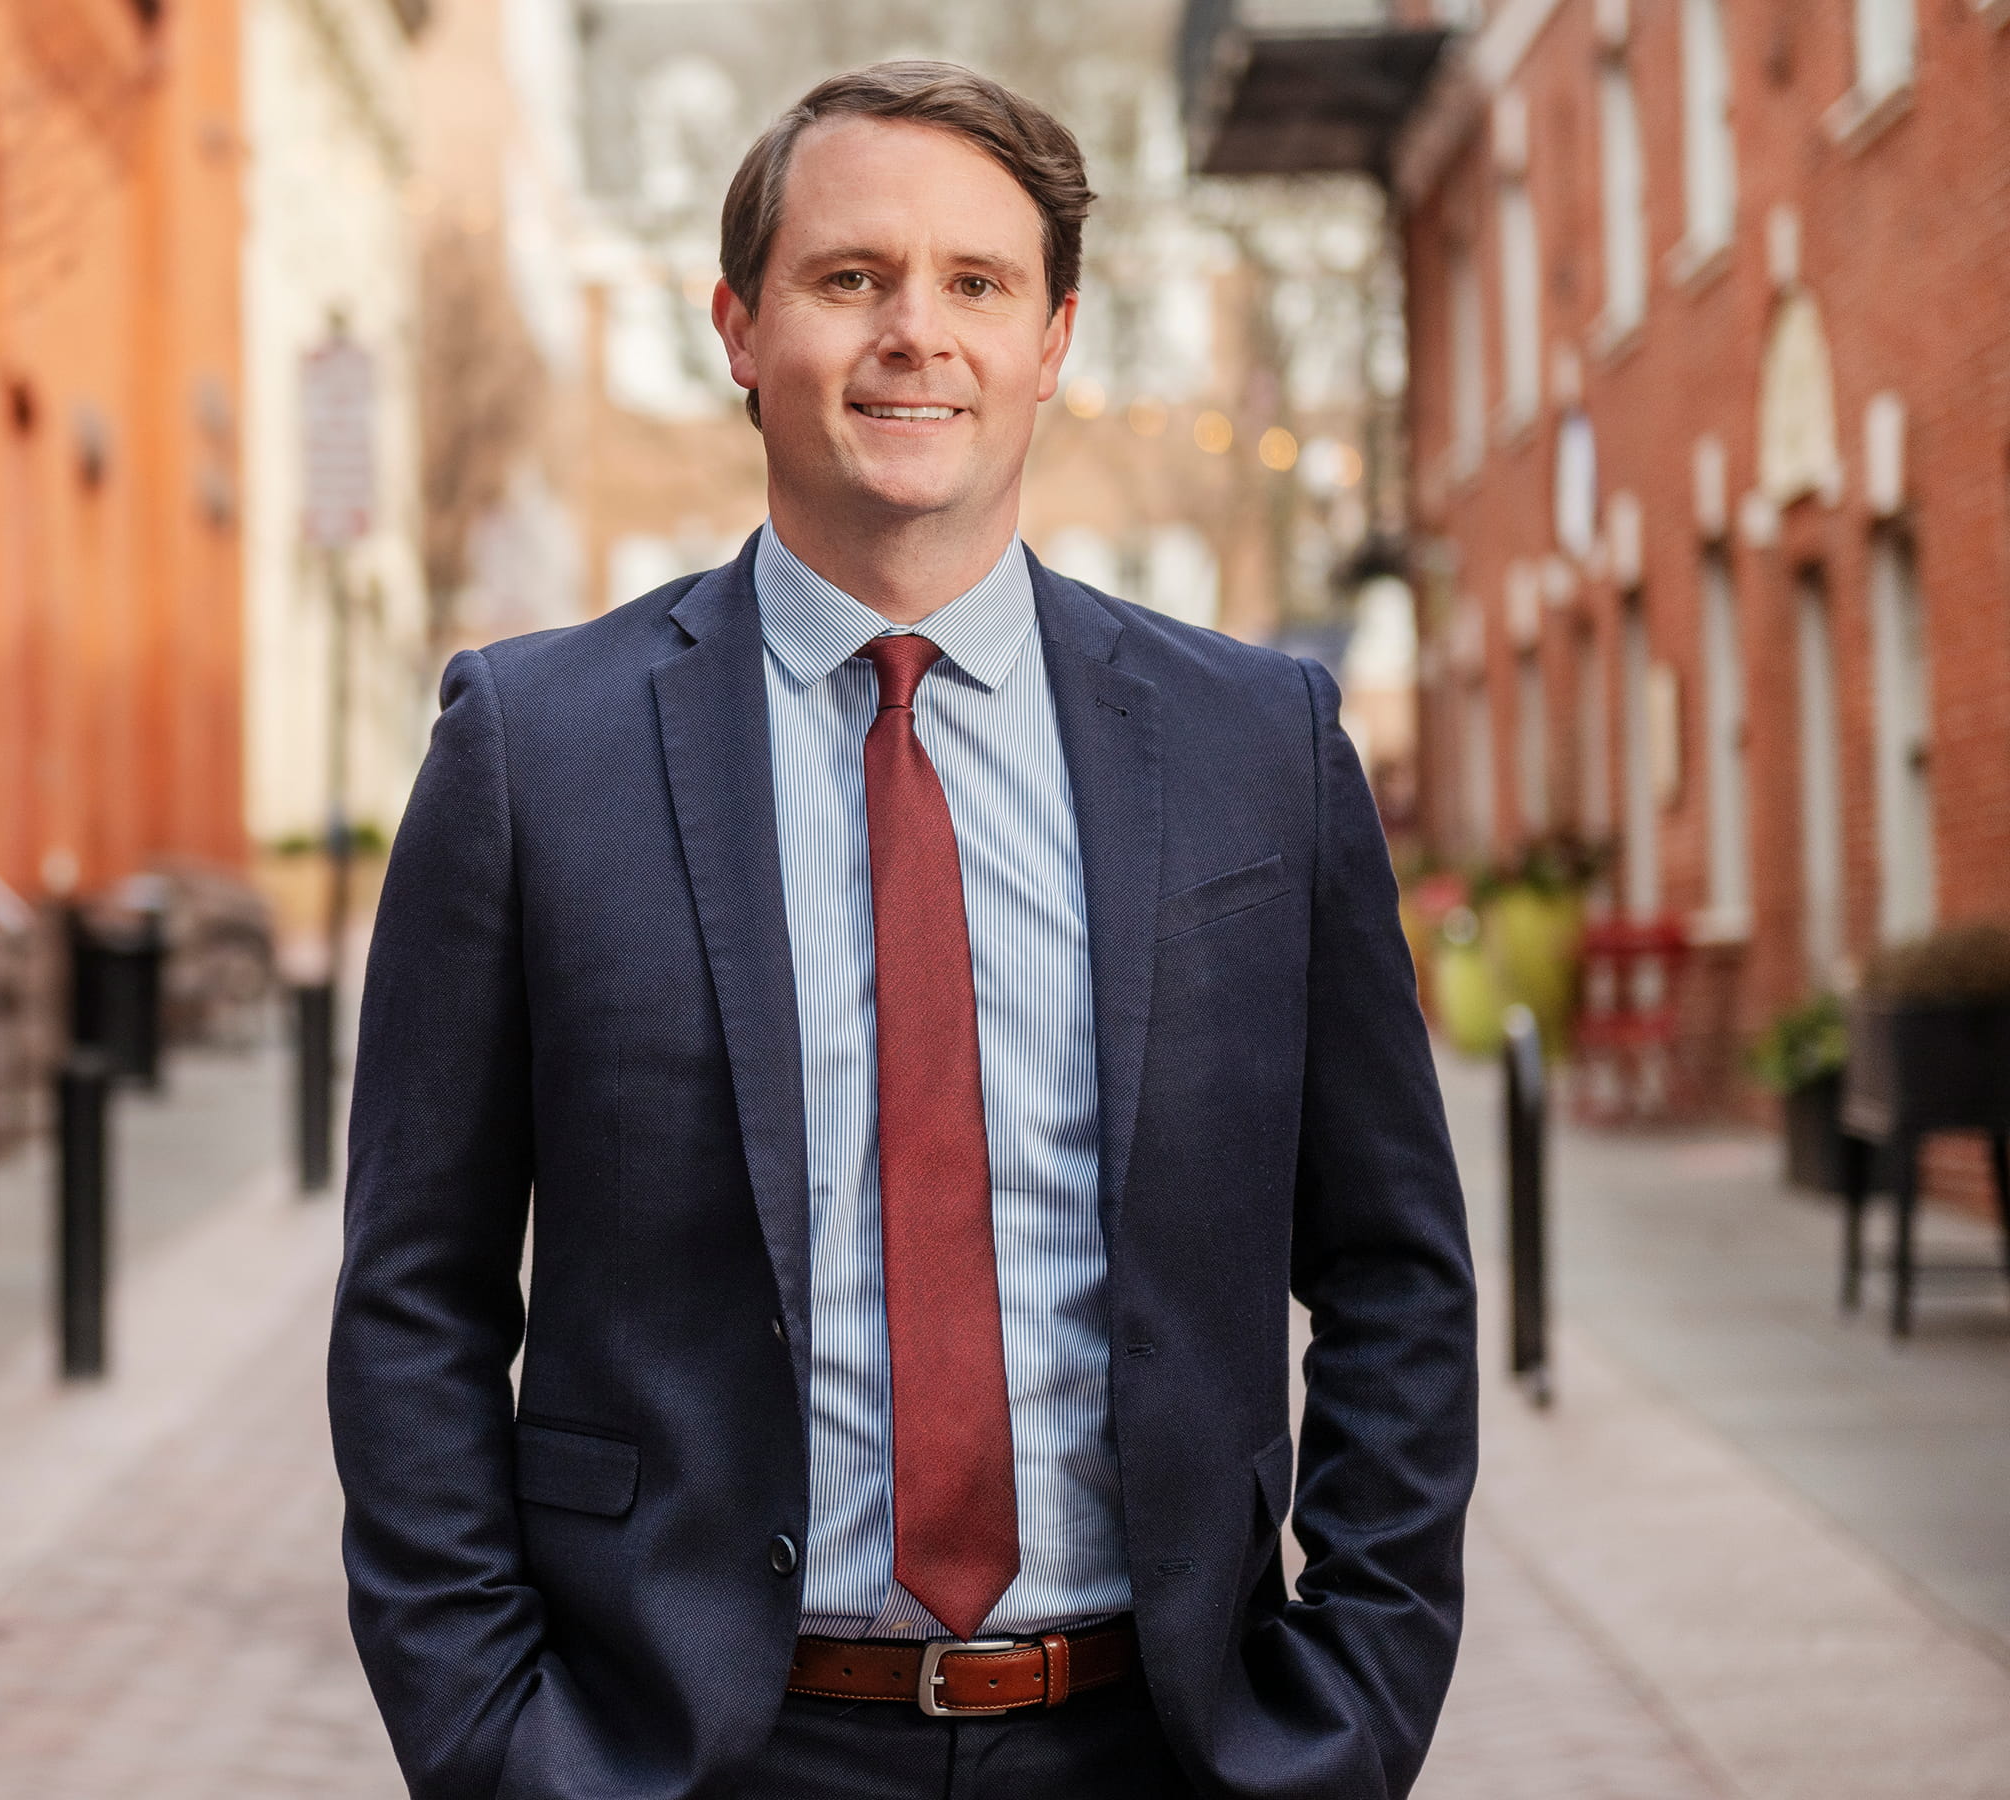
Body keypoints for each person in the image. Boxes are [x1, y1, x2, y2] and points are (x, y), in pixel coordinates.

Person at [327, 59, 1476, 1800]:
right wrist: (498, 1746)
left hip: (1164, 1742)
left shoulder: (1259, 749)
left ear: (1055, 340)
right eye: (850, 278)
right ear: (737, 325)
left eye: (976, 285)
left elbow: (1395, 1270)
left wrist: (1350, 1707)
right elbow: (416, 1295)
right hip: (690, 1751)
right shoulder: (531, 753)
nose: (914, 335)